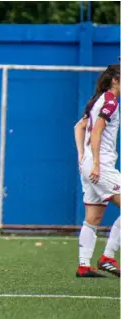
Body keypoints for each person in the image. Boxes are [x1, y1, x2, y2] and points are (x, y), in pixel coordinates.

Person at [74, 63, 120, 277]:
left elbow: (79, 127)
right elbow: (97, 131)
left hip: (91, 164)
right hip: (99, 165)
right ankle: (108, 257)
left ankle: (84, 266)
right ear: (115, 81)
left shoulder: (97, 100)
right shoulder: (110, 101)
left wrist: (82, 157)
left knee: (92, 219)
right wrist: (96, 164)